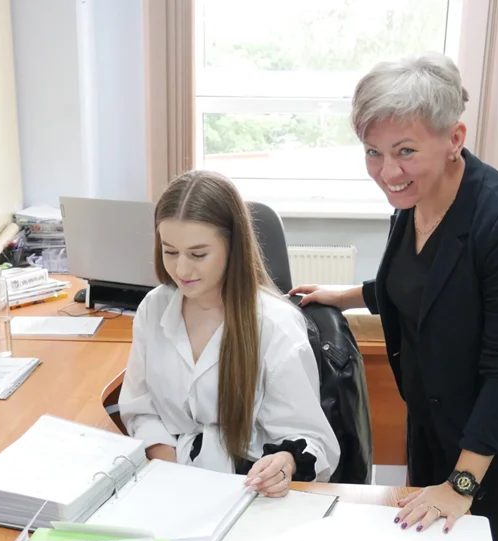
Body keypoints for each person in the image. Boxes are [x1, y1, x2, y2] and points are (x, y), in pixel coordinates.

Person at [292, 52, 498, 541]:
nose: (387, 172)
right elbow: (424, 284)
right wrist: (347, 295)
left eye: (405, 151)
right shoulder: (413, 195)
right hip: (431, 414)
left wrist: (462, 484)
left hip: (491, 437)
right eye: (373, 152)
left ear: (454, 138)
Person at [119, 170, 340, 497]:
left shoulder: (275, 324)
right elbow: (141, 408)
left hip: (250, 488)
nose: (181, 270)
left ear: (233, 247)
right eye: (170, 251)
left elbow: (311, 440)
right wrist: (169, 470)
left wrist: (285, 462)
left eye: (198, 254)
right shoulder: (155, 306)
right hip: (169, 482)